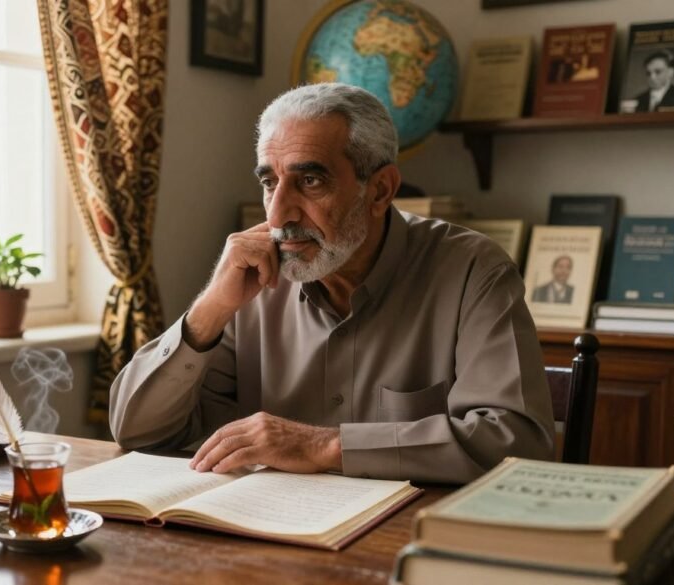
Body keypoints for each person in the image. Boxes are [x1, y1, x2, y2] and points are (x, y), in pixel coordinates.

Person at [109, 83, 554, 485]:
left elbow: (515, 439)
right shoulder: (253, 280)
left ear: (380, 190)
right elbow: (137, 429)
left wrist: (324, 446)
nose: (279, 214)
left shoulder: (473, 269)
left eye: (310, 180)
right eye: (269, 182)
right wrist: (209, 311)